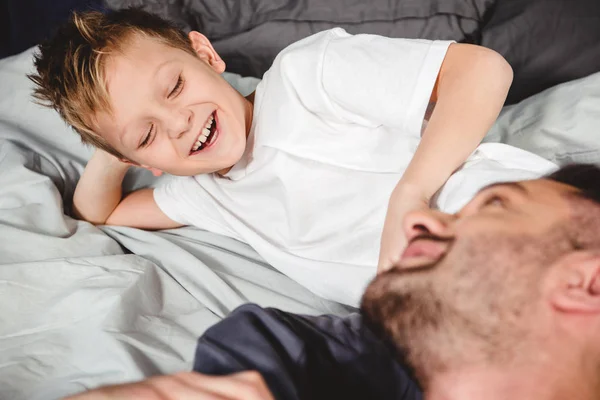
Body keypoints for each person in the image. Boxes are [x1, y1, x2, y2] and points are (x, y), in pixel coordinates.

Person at [28, 8, 525, 306]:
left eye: (175, 86)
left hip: (502, 221)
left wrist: (410, 194)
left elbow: (483, 70)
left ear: (205, 55)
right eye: (149, 133)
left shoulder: (305, 77)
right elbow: (100, 212)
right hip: (454, 309)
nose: (178, 122)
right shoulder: (204, 197)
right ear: (143, 162)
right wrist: (115, 151)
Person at [66, 163, 600, 400]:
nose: (420, 218)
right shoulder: (344, 356)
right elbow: (278, 349)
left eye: (495, 205)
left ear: (588, 284)